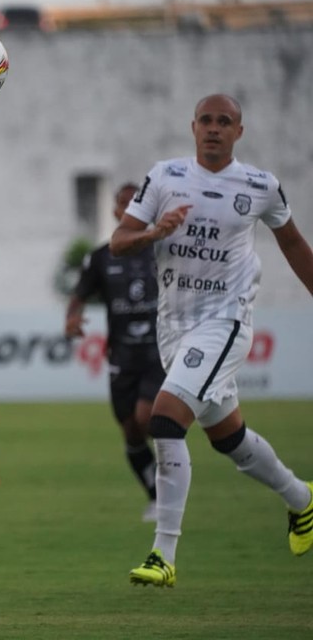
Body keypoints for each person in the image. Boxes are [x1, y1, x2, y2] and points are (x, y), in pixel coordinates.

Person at [110, 93, 313, 588]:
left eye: (225, 121)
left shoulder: (261, 186)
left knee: (163, 418)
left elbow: (292, 244)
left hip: (226, 322)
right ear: (193, 127)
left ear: (239, 132)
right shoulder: (165, 177)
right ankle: (302, 500)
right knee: (231, 441)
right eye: (207, 120)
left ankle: (163, 555)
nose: (215, 128)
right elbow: (119, 241)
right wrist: (156, 231)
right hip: (173, 326)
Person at [65, 183, 164, 522]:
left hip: (158, 351)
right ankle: (156, 496)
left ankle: (173, 472)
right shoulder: (101, 256)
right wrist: (72, 317)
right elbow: (79, 294)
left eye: (136, 202)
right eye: (123, 203)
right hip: (121, 356)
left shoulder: (162, 250)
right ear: (115, 212)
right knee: (130, 431)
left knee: (146, 419)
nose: (129, 208)